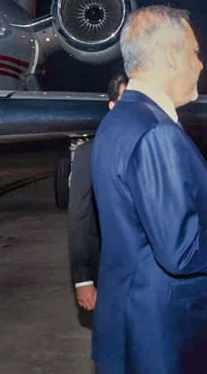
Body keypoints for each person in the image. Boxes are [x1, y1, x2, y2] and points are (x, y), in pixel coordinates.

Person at [90, 6, 207, 373]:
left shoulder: (119, 119)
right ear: (171, 56)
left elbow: (142, 224)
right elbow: (179, 252)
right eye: (194, 52)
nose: (200, 65)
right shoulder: (157, 132)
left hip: (130, 322)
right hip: (162, 336)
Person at [68, 73, 127, 314]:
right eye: (126, 101)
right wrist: (83, 279)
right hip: (108, 273)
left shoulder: (160, 147)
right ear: (112, 107)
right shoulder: (88, 155)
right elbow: (79, 219)